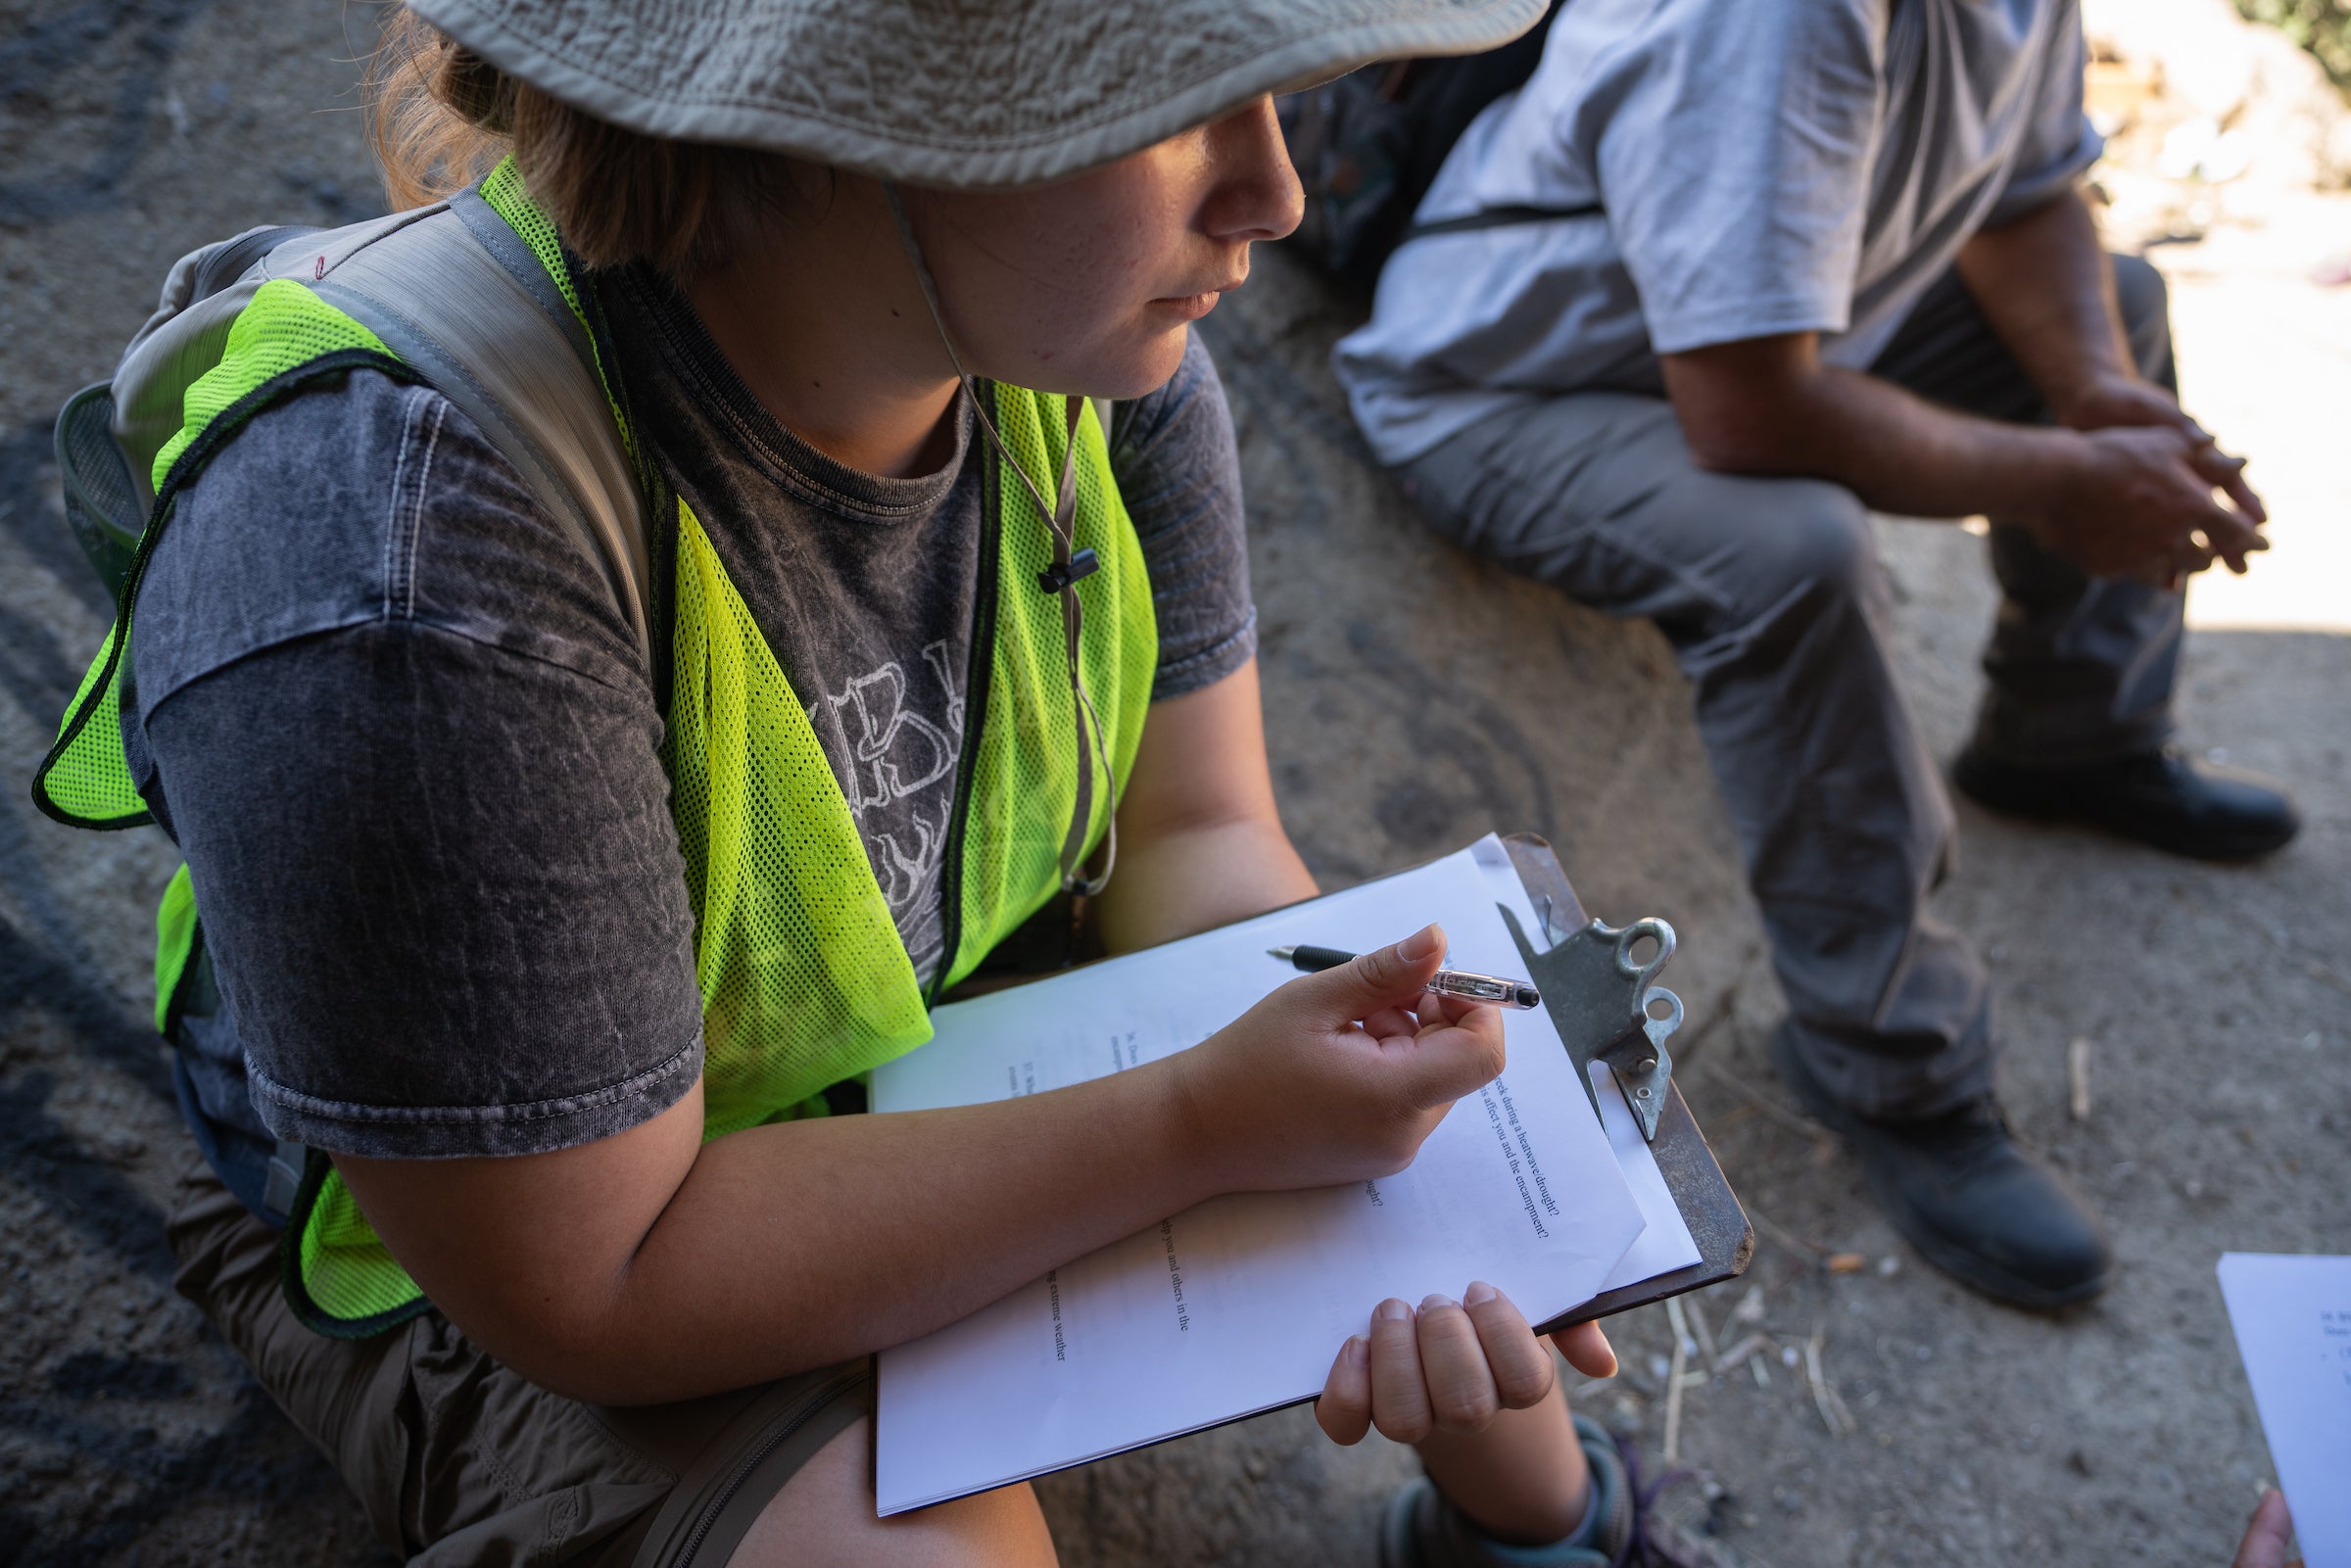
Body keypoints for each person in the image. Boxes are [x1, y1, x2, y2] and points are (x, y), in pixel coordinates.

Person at [35, 0, 1660, 1562]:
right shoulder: (403, 565)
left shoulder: (1085, 346)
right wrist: (1195, 1118)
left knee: (1464, 1229)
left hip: (902, 1011)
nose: (1276, 194)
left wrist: (1403, 1109)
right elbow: (598, 1277)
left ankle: (1545, 1535)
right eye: (1166, 106)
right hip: (494, 1226)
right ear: (850, 124)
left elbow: (1201, 835)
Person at [1331, 0, 2301, 1309]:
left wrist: (2091, 397)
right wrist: (2064, 478)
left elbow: (2027, 193)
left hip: (1768, 339)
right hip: (1504, 386)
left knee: (2121, 304)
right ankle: (1889, 1059)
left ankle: (2072, 735)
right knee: (1794, 551)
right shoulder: (1779, 17)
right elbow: (1746, 408)